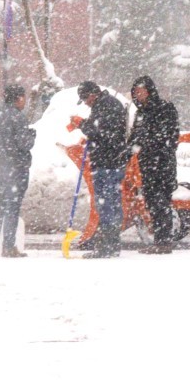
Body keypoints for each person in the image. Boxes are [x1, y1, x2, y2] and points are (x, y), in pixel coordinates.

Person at [0, 84, 36, 258]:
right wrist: (32, 135)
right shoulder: (18, 117)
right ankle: (8, 246)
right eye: (23, 98)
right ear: (18, 98)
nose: (24, 101)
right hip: (16, 168)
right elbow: (24, 144)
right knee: (12, 207)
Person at [128, 75, 181, 254]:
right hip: (147, 164)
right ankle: (160, 240)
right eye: (135, 92)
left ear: (149, 91)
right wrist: (129, 149)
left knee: (161, 202)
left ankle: (164, 242)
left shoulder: (164, 108)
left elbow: (169, 136)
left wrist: (148, 144)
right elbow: (135, 137)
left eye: (140, 91)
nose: (137, 94)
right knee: (151, 202)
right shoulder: (140, 112)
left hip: (162, 163)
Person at [77, 80, 129, 258]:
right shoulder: (108, 104)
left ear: (94, 93)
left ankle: (107, 246)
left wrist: (82, 124)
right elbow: (106, 132)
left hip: (106, 162)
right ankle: (112, 244)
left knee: (106, 204)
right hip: (113, 161)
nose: (85, 102)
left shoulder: (105, 106)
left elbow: (100, 132)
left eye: (85, 98)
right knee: (112, 203)